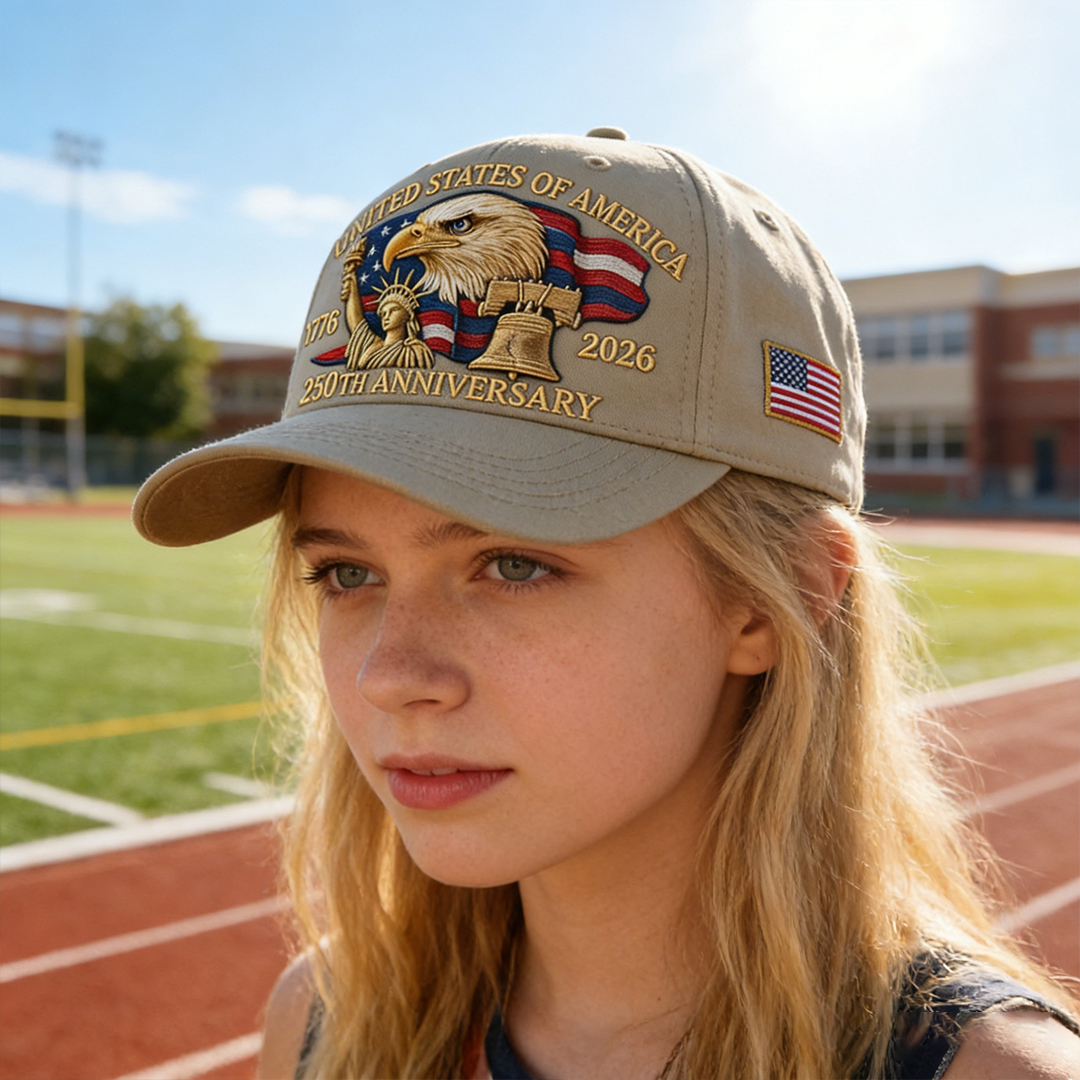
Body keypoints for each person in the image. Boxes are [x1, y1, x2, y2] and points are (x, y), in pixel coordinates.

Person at [133, 130, 1080, 1080]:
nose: (388, 676)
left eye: (512, 565)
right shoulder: (321, 1024)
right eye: (346, 574)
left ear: (777, 599)